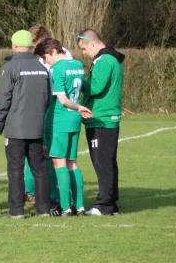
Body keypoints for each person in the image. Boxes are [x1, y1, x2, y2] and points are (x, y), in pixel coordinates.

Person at [0, 30, 51, 218]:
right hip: (36, 127)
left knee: (16, 170)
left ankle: (16, 211)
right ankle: (43, 209)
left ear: (14, 45)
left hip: (16, 128)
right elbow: (47, 98)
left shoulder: (11, 67)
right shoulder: (42, 68)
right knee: (40, 169)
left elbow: (3, 99)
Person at [35, 38, 93, 216]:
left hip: (60, 119)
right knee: (72, 163)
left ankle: (66, 207)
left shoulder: (56, 69)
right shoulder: (77, 64)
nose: (45, 62)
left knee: (58, 162)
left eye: (45, 57)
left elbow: (63, 100)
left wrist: (78, 107)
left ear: (53, 52)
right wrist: (78, 108)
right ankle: (80, 206)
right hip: (74, 120)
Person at [77, 29, 125, 216]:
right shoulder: (112, 59)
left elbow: (95, 87)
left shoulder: (104, 60)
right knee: (108, 162)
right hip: (106, 117)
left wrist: (78, 80)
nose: (83, 53)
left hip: (101, 118)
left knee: (102, 163)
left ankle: (104, 205)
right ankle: (111, 204)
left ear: (91, 43)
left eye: (83, 48)